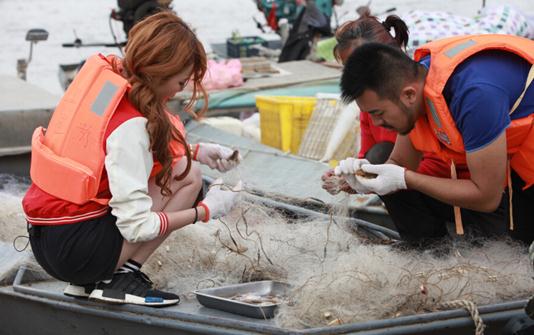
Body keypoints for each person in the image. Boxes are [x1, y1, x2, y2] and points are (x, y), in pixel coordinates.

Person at [22, 11, 242, 307]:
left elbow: (104, 147)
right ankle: (123, 279)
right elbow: (138, 227)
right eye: (181, 81)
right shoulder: (133, 127)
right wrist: (206, 210)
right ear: (158, 73)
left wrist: (196, 150)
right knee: (188, 177)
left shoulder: (108, 90)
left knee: (183, 165)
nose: (183, 88)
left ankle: (90, 283)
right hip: (76, 253)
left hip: (47, 239)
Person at [336, 35, 534, 248]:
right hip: (502, 169)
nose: (376, 122)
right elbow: (400, 163)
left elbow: (487, 197)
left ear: (409, 95)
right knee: (378, 156)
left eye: (379, 112)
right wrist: (363, 178)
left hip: (512, 176)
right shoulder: (416, 82)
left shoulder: (475, 97)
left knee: (512, 254)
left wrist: (406, 179)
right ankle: (427, 250)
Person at [321, 14, 451, 197]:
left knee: (381, 159)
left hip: (444, 187)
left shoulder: (420, 96)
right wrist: (351, 178)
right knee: (378, 156)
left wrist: (396, 177)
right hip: (407, 180)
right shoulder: (369, 104)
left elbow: (440, 166)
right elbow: (369, 158)